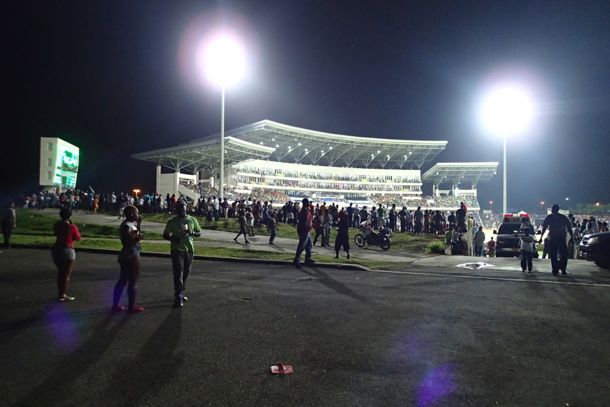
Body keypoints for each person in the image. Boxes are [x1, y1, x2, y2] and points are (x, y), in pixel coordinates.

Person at [163, 201, 201, 307]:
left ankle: (181, 291)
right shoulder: (172, 222)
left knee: (186, 272)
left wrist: (192, 233)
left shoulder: (192, 220)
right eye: (179, 209)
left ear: (186, 208)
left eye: (183, 208)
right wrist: (173, 238)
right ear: (176, 209)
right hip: (176, 249)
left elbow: (199, 233)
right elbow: (165, 235)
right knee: (178, 272)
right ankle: (178, 296)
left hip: (189, 249)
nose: (181, 210)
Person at [112, 205, 145, 313]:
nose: (138, 214)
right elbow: (128, 242)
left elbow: (135, 236)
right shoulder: (126, 226)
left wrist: (139, 225)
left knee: (123, 280)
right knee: (132, 281)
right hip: (131, 253)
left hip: (128, 253)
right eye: (136, 212)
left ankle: (116, 305)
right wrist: (138, 239)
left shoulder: (130, 224)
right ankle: (131, 306)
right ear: (131, 214)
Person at [52, 207, 81, 301]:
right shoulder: (71, 227)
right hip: (67, 250)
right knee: (66, 274)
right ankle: (62, 295)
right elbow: (77, 237)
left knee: (61, 272)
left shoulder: (56, 225)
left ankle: (60, 293)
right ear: (70, 216)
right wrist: (73, 225)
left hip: (56, 249)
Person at [539, 204, 574, 275]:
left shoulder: (560, 217)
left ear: (555, 210)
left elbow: (569, 228)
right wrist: (541, 237)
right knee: (557, 255)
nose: (552, 210)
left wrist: (572, 238)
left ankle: (559, 268)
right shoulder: (552, 217)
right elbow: (544, 228)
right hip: (555, 238)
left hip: (559, 238)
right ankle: (557, 268)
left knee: (561, 255)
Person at [294, 198, 314, 268]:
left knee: (309, 245)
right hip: (304, 230)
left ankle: (307, 259)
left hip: (307, 230)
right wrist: (306, 228)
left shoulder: (307, 210)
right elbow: (304, 221)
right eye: (308, 202)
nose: (309, 203)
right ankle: (296, 260)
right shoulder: (304, 211)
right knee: (302, 246)